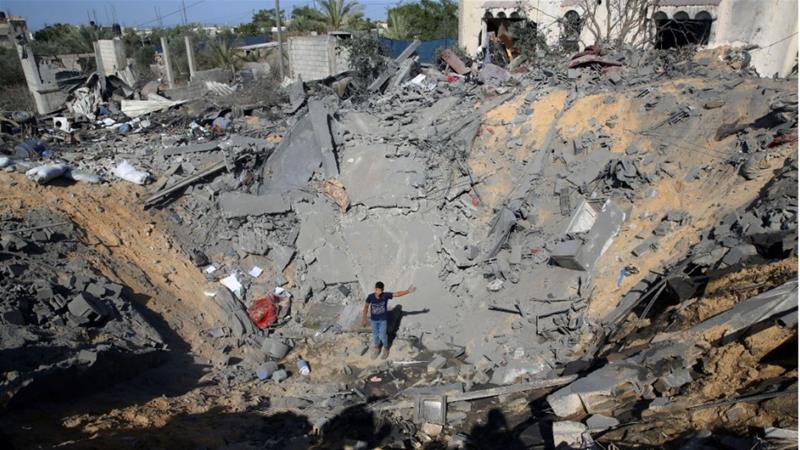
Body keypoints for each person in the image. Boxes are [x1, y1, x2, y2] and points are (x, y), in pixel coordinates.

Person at [362, 281, 416, 359]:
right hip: (374, 320)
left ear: (383, 290)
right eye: (377, 290)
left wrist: (407, 291)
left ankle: (386, 349)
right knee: (375, 335)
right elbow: (366, 306)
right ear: (375, 289)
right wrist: (364, 318)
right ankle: (377, 349)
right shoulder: (370, 297)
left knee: (383, 335)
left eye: (380, 290)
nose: (379, 292)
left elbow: (396, 294)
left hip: (383, 320)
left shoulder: (385, 295)